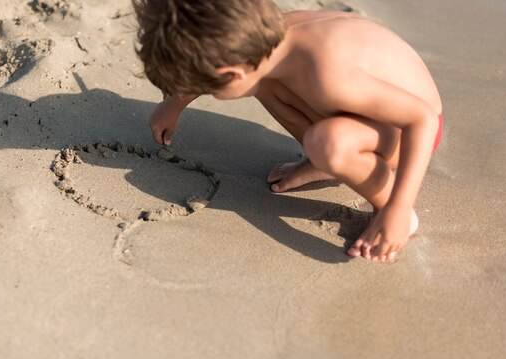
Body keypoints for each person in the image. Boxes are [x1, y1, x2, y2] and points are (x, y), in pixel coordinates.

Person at [132, 0, 443, 263]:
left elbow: (422, 119)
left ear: (231, 74)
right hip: (369, 115)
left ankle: (387, 204)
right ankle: (325, 161)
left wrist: (398, 207)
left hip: (407, 131)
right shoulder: (266, 39)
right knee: (265, 82)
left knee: (328, 142)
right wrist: (174, 104)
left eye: (207, 88)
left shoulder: (329, 74)